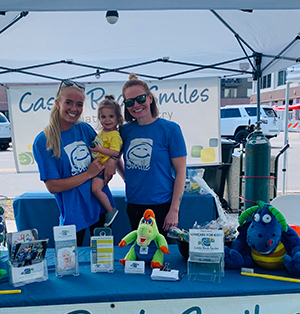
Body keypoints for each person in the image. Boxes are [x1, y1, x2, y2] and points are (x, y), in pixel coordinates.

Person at [32, 81, 112, 246]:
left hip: (99, 206)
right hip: (74, 213)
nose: (74, 109)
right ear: (57, 103)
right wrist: (88, 174)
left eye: (79, 104)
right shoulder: (44, 141)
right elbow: (53, 186)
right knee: (71, 264)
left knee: (102, 262)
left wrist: (111, 161)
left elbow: (105, 152)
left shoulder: (85, 129)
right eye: (68, 102)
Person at [118, 74, 187, 234]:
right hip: (134, 204)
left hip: (162, 206)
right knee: (138, 253)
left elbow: (181, 172)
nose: (136, 105)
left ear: (150, 98)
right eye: (129, 102)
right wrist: (126, 177)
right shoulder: (125, 131)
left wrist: (174, 210)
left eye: (140, 99)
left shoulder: (170, 129)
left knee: (161, 255)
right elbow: (114, 158)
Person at [89, 95, 123, 227]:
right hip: (97, 165)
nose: (107, 120)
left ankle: (110, 210)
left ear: (118, 118)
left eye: (111, 116)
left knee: (96, 190)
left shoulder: (114, 135)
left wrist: (99, 149)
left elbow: (115, 152)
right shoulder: (103, 132)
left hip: (102, 168)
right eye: (103, 117)